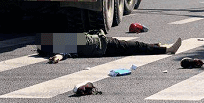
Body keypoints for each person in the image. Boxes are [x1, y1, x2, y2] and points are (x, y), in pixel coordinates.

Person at [43, 31, 182, 63]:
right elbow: (65, 53)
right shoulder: (65, 47)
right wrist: (59, 56)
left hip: (105, 41)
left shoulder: (67, 40)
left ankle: (155, 47)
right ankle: (167, 50)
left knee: (135, 47)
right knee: (135, 47)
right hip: (105, 48)